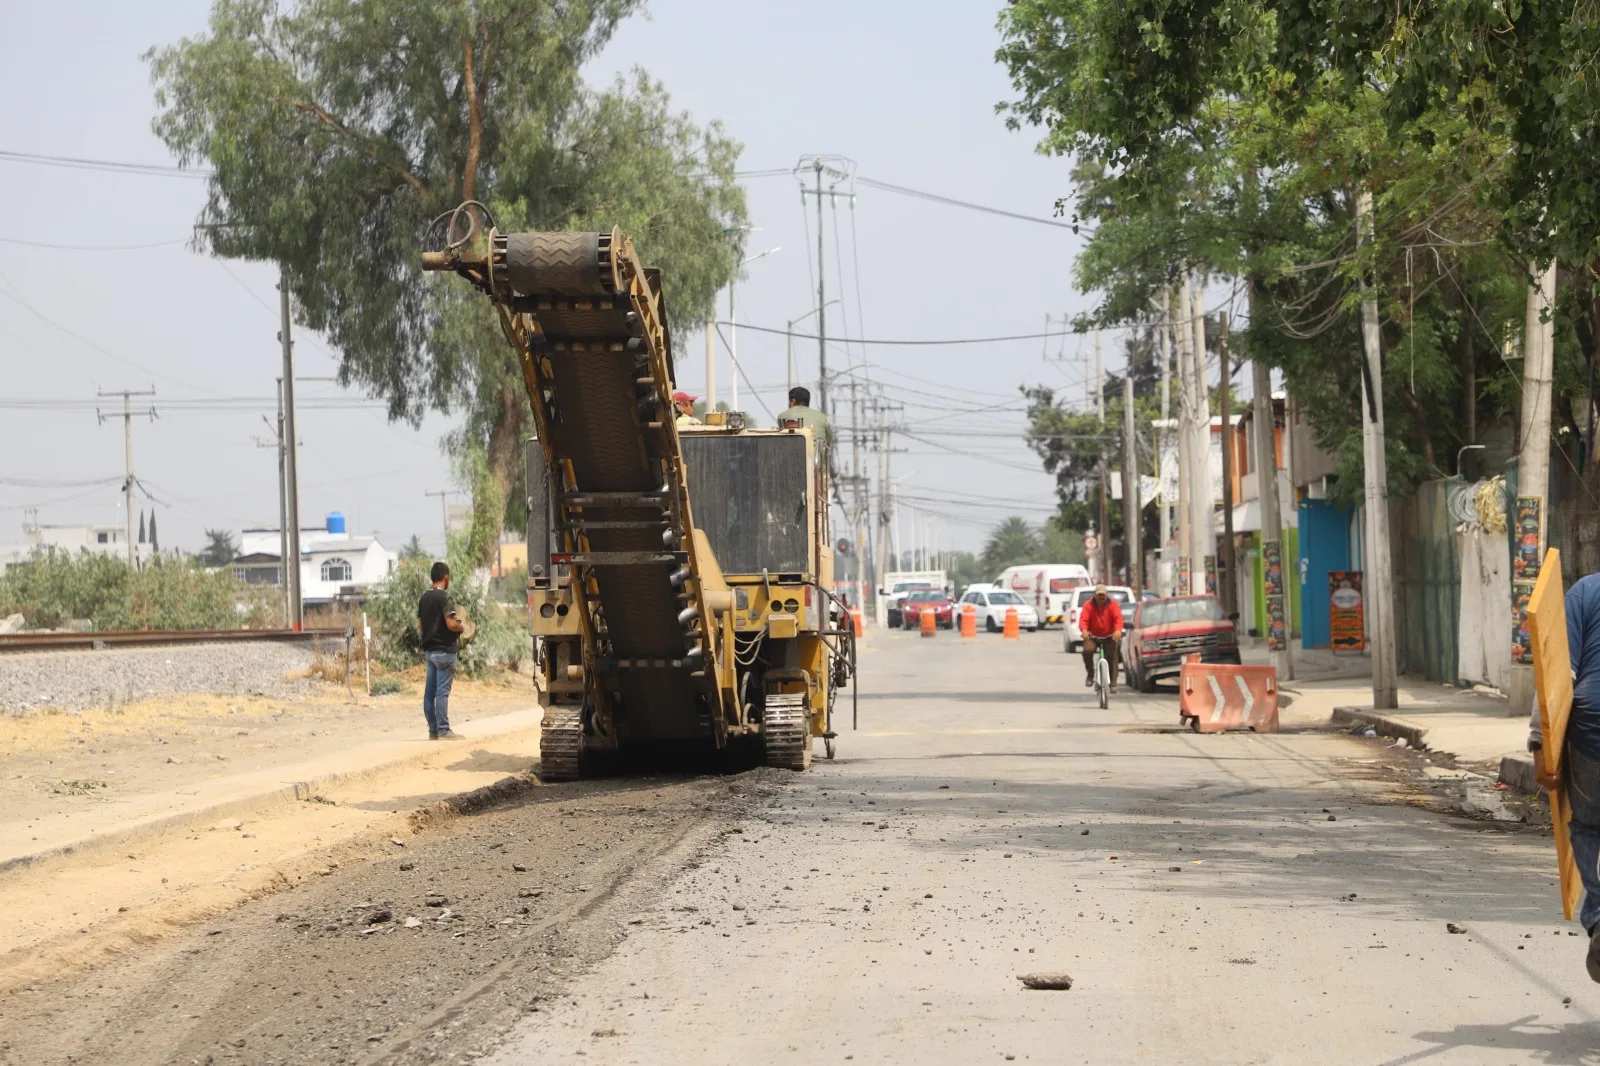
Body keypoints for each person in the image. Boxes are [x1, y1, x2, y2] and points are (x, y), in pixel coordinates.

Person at [1530, 571, 1600, 980]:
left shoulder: (1586, 591)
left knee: (1589, 825)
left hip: (1592, 731)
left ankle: (1599, 916)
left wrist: (1540, 746)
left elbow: (1555, 674)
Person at [418, 561, 465, 740]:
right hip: (445, 651)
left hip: (430, 651)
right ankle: (444, 730)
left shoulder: (424, 598)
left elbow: (421, 624)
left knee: (429, 692)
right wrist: (461, 627)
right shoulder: (444, 598)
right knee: (442, 692)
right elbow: (450, 623)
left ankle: (433, 731)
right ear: (446, 577)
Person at [1079, 584, 1124, 692]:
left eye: (1103, 596)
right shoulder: (1088, 605)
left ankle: (1113, 683)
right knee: (1087, 651)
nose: (1101, 598)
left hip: (1109, 636)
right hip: (1093, 636)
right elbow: (1083, 619)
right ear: (1095, 595)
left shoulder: (1113, 605)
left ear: (1106, 595)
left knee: (1113, 656)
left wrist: (1118, 630)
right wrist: (1084, 630)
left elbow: (1118, 619)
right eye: (1099, 595)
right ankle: (1090, 674)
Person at [776, 386, 833, 454]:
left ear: (793, 401)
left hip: (791, 460)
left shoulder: (782, 417)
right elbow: (829, 441)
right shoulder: (823, 418)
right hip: (816, 462)